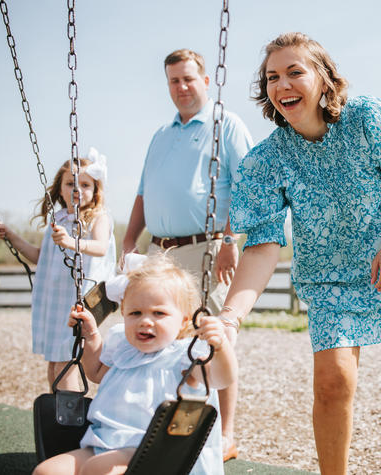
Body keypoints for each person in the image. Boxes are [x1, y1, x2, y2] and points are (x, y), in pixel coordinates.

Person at [222, 32, 381, 475]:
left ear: (323, 78)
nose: (282, 84)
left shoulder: (367, 118)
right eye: (271, 77)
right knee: (332, 383)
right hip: (329, 281)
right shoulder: (268, 160)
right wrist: (231, 316)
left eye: (294, 72)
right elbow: (262, 247)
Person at [121, 48, 252, 460]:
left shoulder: (225, 125)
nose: (181, 87)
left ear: (206, 81)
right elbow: (144, 192)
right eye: (173, 81)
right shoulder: (161, 135)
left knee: (211, 337)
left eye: (188, 79)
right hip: (159, 253)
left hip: (207, 246)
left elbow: (247, 185)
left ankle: (225, 434)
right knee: (165, 338)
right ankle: (174, 427)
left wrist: (230, 241)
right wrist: (129, 241)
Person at [31, 253, 238, 475]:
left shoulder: (185, 355)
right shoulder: (122, 347)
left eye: (159, 313)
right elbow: (95, 372)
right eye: (135, 313)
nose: (145, 321)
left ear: (184, 321)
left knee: (97, 470)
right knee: (46, 471)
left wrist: (221, 346)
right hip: (102, 442)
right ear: (124, 313)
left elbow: (222, 378)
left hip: (154, 451)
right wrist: (90, 335)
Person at [0, 148, 115, 392]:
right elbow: (40, 257)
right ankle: (58, 413)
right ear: (60, 189)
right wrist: (11, 235)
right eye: (70, 183)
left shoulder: (97, 218)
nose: (77, 189)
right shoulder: (59, 219)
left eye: (85, 184)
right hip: (54, 302)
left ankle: (67, 419)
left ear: (95, 191)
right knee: (54, 365)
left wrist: (71, 242)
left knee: (67, 362)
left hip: (77, 300)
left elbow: (101, 247)